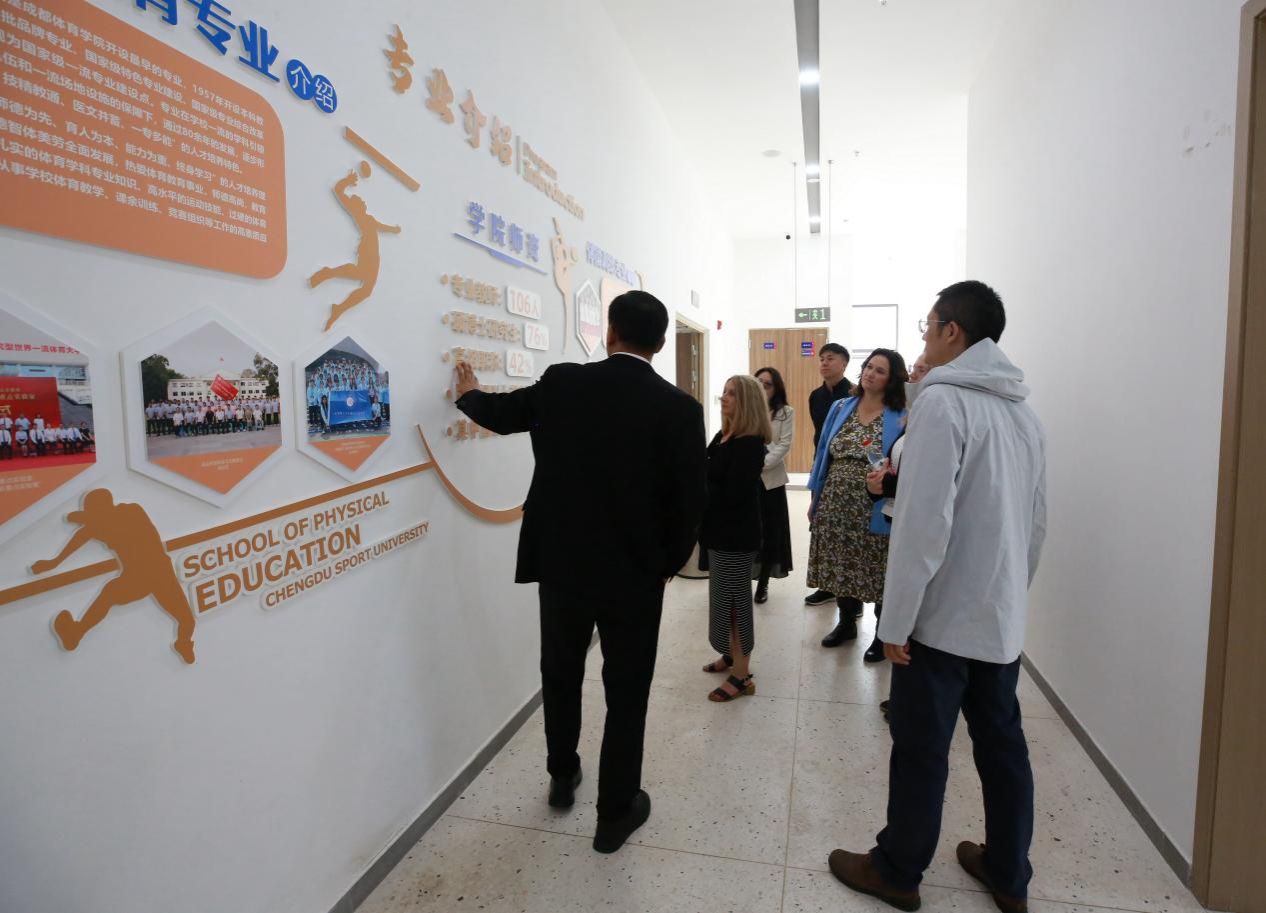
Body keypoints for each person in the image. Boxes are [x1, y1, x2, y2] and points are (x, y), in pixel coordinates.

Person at [453, 290, 707, 854]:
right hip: (635, 575)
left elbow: (504, 415)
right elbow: (691, 502)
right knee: (627, 688)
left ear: (610, 333)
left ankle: (562, 775)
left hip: (562, 565)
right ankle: (615, 814)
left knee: (561, 671)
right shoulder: (679, 409)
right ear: (661, 343)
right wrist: (665, 565)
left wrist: (468, 394)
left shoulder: (563, 382)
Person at [829, 281, 1047, 913]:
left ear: (953, 331)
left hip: (941, 622)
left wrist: (895, 621)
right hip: (998, 622)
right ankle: (1008, 871)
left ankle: (897, 870)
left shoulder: (944, 404)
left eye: (928, 327)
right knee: (1003, 749)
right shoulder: (1024, 416)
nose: (923, 339)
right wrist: (1010, 602)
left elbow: (923, 525)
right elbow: (1036, 526)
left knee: (922, 749)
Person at [806, 349, 908, 652]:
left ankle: (881, 634)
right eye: (868, 367)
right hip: (835, 501)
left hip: (874, 503)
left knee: (878, 567)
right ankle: (847, 622)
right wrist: (816, 497)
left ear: (892, 379)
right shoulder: (841, 407)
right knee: (841, 563)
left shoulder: (901, 414)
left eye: (880, 370)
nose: (870, 373)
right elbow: (823, 452)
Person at [32, 488, 197, 664]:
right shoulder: (102, 524)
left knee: (187, 621)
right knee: (111, 593)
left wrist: (81, 519)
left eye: (93, 512)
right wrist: (54, 562)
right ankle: (76, 633)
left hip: (155, 573)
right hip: (149, 574)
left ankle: (183, 644)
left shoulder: (130, 511)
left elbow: (99, 525)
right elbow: (81, 536)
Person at [699, 375, 770, 701]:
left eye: (732, 394)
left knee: (735, 604)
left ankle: (742, 676)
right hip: (718, 532)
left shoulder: (750, 444)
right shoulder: (724, 436)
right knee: (722, 600)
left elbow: (732, 493)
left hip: (736, 536)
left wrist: (699, 486)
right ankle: (730, 655)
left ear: (748, 403)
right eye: (724, 392)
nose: (723, 397)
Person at [805, 342, 853, 607]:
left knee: (845, 529)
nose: (824, 363)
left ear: (844, 363)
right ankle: (827, 584)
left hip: (845, 468)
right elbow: (820, 436)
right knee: (820, 525)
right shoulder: (816, 396)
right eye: (821, 358)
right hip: (822, 465)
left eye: (830, 358)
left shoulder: (855, 394)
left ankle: (849, 595)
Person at [753, 367, 794, 604]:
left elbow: (784, 445)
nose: (762, 387)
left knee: (770, 533)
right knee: (749, 531)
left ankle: (763, 583)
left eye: (767, 384)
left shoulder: (786, 412)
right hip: (746, 480)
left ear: (776, 388)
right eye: (758, 382)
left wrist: (760, 464)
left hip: (771, 481)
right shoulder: (747, 407)